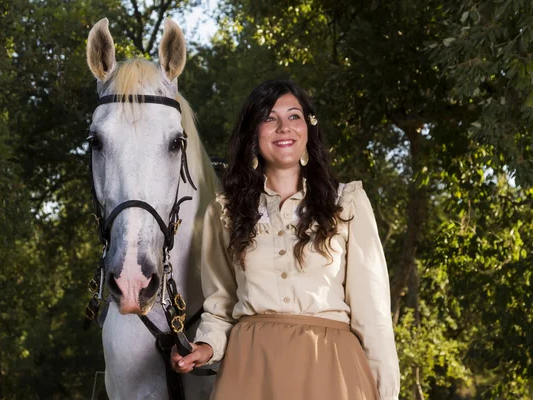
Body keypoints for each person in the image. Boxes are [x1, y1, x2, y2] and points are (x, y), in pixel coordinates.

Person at [171, 80, 400, 400]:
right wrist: (206, 347)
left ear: (308, 130)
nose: (283, 127)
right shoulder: (224, 213)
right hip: (248, 371)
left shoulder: (347, 203)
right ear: (253, 133)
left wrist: (387, 392)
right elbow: (220, 307)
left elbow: (374, 318)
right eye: (269, 118)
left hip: (332, 370)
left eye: (294, 117)